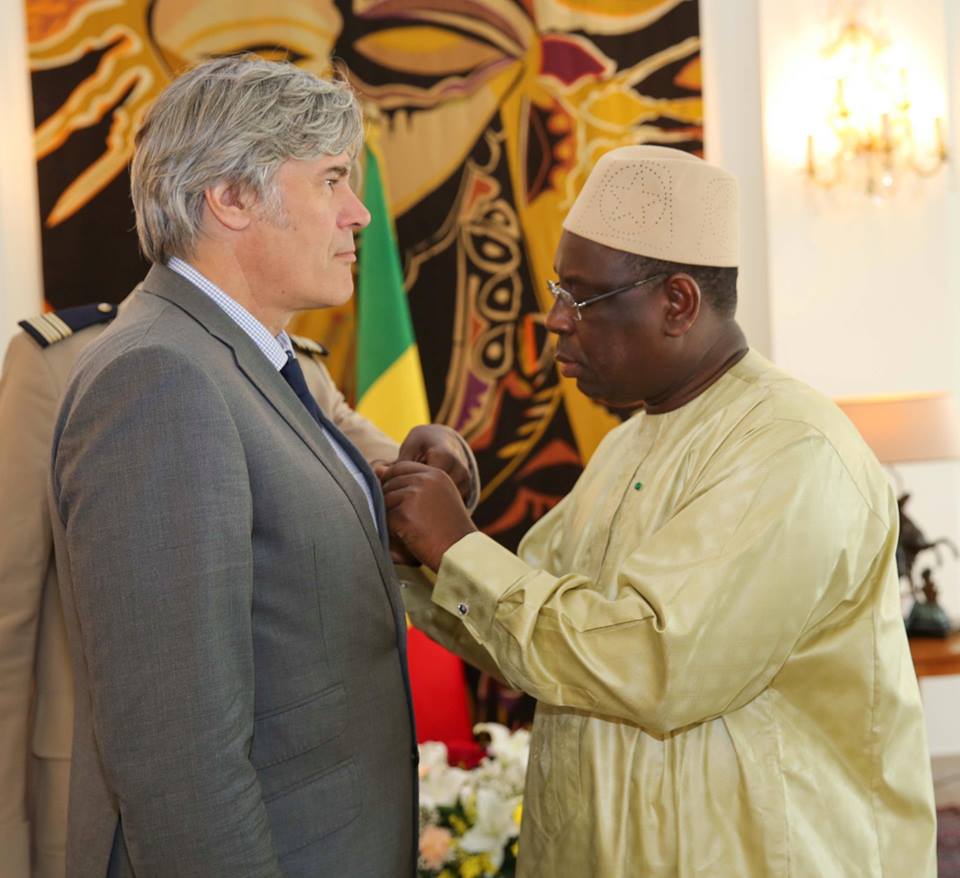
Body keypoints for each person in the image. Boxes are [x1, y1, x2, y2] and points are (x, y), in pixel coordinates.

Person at [382, 145, 938, 876]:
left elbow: (652, 664)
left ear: (677, 303)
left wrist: (457, 547)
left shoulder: (792, 451)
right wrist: (420, 544)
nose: (553, 320)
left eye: (578, 297)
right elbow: (525, 637)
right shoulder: (628, 447)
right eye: (557, 288)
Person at [47, 56, 472, 877]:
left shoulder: (252, 358)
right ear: (231, 198)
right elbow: (178, 759)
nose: (359, 215)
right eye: (332, 181)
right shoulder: (159, 379)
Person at [0, 301, 473, 878]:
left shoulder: (284, 359)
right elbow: (10, 616)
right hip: (91, 790)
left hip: (259, 794)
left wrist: (451, 455)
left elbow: (381, 469)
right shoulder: (61, 359)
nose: (353, 215)